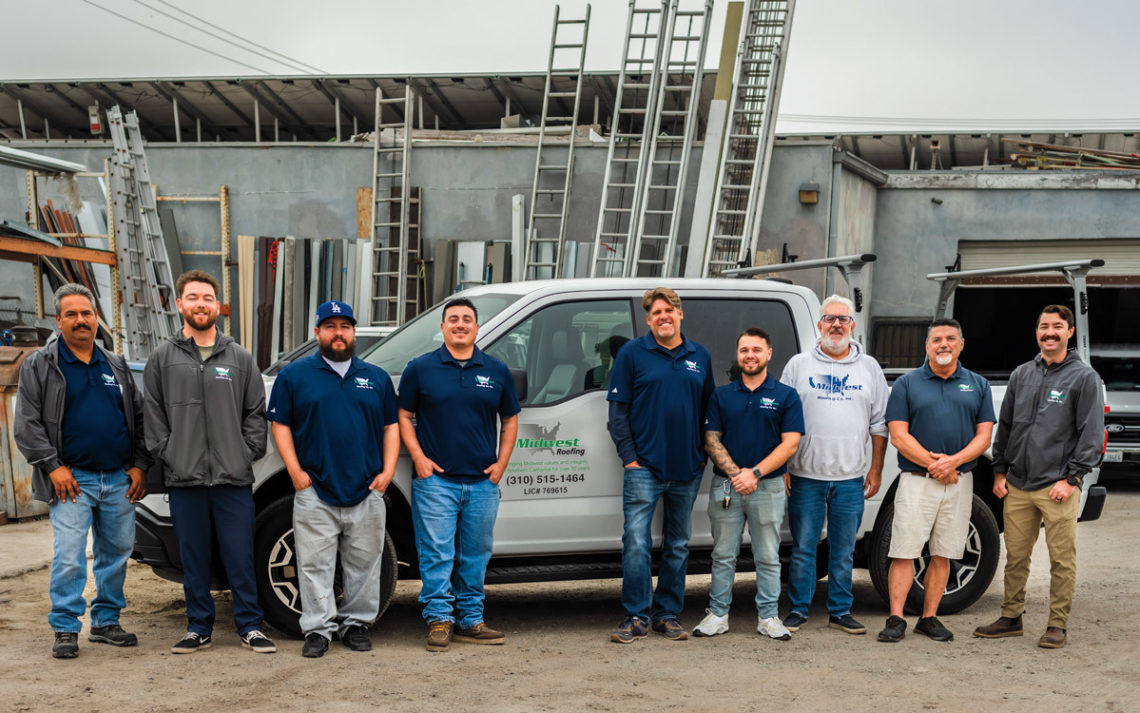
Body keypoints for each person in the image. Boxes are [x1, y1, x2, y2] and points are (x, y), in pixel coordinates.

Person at [143, 269, 275, 655]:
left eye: (208, 298)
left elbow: (256, 412)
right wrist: (171, 454)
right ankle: (198, 627)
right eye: (193, 297)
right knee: (193, 558)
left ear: (218, 307)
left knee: (240, 555)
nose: (201, 304)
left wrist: (244, 451)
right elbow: (152, 417)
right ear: (180, 304)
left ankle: (250, 626)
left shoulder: (239, 358)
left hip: (233, 479)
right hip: (185, 479)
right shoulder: (162, 358)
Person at [15, 283, 149, 659]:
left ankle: (106, 621)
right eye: (71, 314)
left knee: (117, 552)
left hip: (118, 478)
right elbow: (26, 424)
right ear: (58, 320)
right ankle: (65, 627)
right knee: (70, 554)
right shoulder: (41, 365)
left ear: (96, 318)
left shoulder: (115, 364)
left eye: (86, 313)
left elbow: (139, 418)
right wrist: (53, 467)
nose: (80, 321)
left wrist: (139, 465)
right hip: (71, 481)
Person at [267, 301, 399, 658]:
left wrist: (387, 473)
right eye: (330, 326)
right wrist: (295, 472)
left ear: (353, 332)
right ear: (317, 333)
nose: (338, 333)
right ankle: (318, 630)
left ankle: (356, 625)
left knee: (365, 565)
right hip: (315, 491)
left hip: (367, 489)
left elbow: (391, 427)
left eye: (345, 326)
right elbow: (280, 425)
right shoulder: (294, 377)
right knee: (313, 564)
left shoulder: (376, 378)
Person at [974, 305, 1104, 649]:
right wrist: (999, 469)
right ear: (1036, 333)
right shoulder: (1021, 375)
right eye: (1044, 326)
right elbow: (1007, 426)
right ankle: (1011, 616)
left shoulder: (1083, 378)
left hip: (1057, 485)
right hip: (1017, 483)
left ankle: (1057, 625)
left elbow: (1091, 434)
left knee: (1062, 560)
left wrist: (1073, 479)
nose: (1050, 332)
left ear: (1069, 332)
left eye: (1057, 327)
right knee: (1016, 556)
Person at [398, 297, 520, 652]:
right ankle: (439, 620)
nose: (460, 324)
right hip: (436, 482)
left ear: (477, 328)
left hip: (483, 483)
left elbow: (510, 418)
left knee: (476, 553)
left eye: (467, 319)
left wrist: (501, 463)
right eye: (453, 319)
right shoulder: (420, 368)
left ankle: (470, 620)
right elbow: (403, 415)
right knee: (436, 553)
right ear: (443, 328)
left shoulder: (496, 370)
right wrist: (419, 458)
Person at [607, 287, 715, 644]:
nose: (663, 317)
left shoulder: (700, 355)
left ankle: (666, 614)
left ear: (680, 314)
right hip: (644, 468)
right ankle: (636, 615)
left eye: (669, 310)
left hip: (687, 467)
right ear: (648, 319)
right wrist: (630, 459)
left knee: (678, 545)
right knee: (636, 543)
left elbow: (708, 411)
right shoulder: (632, 354)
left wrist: (703, 454)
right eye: (656, 312)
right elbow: (618, 413)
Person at [878, 318, 995, 643]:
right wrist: (934, 464)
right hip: (917, 481)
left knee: (943, 552)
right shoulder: (907, 384)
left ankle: (929, 618)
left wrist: (954, 462)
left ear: (961, 344)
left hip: (959, 481)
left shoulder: (977, 385)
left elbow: (984, 436)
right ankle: (896, 618)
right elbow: (899, 436)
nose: (943, 344)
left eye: (950, 339)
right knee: (904, 551)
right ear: (927, 346)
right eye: (937, 340)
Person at [780, 294, 888, 636]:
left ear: (852, 326)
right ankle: (798, 609)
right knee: (803, 548)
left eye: (843, 319)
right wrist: (783, 466)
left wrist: (876, 469)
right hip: (804, 477)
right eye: (830, 319)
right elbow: (781, 419)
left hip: (850, 479)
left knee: (843, 550)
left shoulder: (869, 368)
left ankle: (840, 611)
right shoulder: (798, 365)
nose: (837, 325)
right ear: (819, 324)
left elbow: (880, 425)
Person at [693, 328, 803, 640]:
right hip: (726, 487)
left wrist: (753, 474)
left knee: (767, 556)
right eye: (744, 350)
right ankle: (717, 614)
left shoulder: (786, 395)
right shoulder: (721, 395)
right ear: (738, 355)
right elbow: (711, 440)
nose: (750, 355)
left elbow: (790, 444)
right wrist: (736, 475)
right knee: (722, 555)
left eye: (756, 349)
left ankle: (768, 617)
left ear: (769, 354)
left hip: (767, 488)